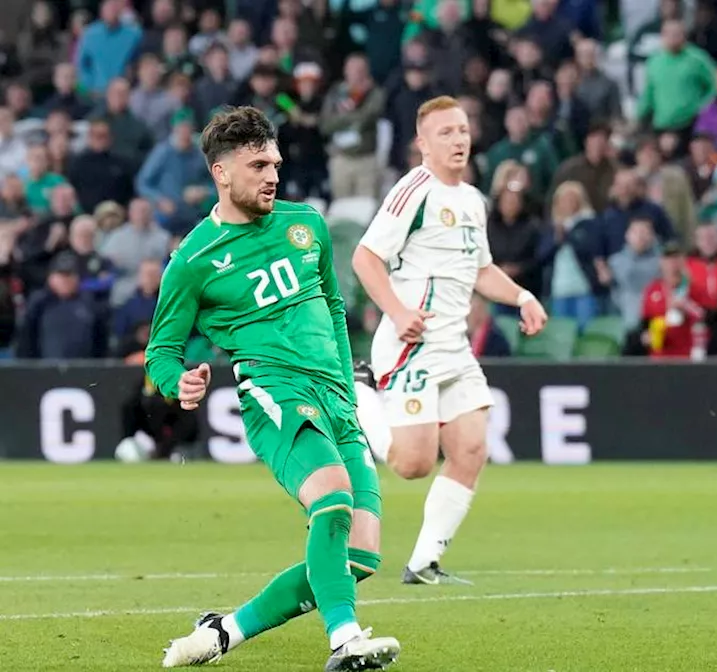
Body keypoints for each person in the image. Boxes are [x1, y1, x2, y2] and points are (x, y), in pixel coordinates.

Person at [149, 107, 400, 670]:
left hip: (337, 395)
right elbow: (161, 351)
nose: (272, 175)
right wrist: (177, 381)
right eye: (258, 164)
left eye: (276, 164)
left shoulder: (305, 223)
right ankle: (345, 641)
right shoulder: (192, 261)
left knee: (357, 556)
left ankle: (224, 633)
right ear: (221, 172)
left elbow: (333, 306)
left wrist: (347, 378)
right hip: (276, 392)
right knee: (332, 499)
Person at [351, 96, 548, 586]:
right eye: (445, 133)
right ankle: (359, 394)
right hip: (410, 342)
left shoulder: (472, 200)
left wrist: (522, 296)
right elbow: (364, 258)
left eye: (462, 130)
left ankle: (423, 562)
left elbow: (481, 269)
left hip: (454, 346)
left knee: (471, 448)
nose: (458, 139)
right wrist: (397, 314)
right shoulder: (413, 189)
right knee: (413, 464)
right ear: (423, 143)